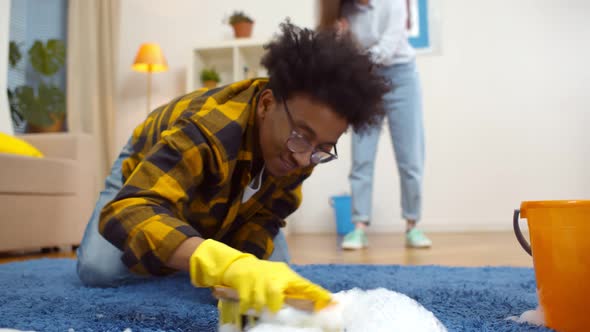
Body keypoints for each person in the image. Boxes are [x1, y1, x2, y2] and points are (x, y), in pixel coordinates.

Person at [75, 21, 390, 314]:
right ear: (266, 104)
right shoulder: (207, 130)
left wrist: (241, 263)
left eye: (322, 148)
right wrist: (221, 264)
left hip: (225, 193)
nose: (303, 160)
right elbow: (132, 209)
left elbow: (267, 214)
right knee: (99, 269)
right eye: (302, 138)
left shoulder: (304, 150)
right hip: (144, 165)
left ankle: (194, 240)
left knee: (273, 280)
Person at [321, 0, 431, 250]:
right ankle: (359, 227)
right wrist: (341, 38)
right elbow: (348, 52)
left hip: (401, 77)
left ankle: (413, 225)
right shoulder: (346, 11)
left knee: (410, 158)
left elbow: (387, 48)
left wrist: (354, 60)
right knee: (362, 156)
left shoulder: (393, 3)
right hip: (365, 80)